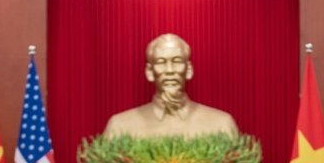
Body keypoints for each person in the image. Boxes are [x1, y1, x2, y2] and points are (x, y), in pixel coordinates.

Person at [102, 33, 239, 139]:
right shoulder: (120, 126)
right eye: (161, 62)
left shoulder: (221, 124)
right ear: (150, 72)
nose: (169, 70)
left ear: (189, 70)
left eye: (177, 61)